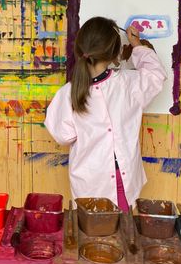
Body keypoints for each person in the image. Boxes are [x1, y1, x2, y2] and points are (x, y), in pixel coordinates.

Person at [44, 16, 166, 211]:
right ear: (114, 53)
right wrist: (137, 44)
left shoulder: (67, 93)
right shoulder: (127, 84)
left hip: (89, 183)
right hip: (123, 180)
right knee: (120, 234)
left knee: (90, 234)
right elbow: (155, 74)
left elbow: (63, 136)